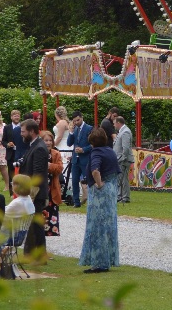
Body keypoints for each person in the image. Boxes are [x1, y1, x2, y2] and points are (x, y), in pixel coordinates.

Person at [80, 127, 121, 274]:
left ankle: (98, 263)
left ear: (92, 141)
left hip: (100, 194)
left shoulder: (96, 152)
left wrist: (98, 183)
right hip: (111, 192)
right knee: (109, 226)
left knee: (97, 227)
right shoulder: (109, 151)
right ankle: (109, 259)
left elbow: (95, 170)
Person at [16, 119, 49, 259]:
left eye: (23, 131)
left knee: (36, 225)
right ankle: (31, 253)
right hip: (31, 193)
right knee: (32, 225)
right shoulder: (33, 145)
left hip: (36, 194)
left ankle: (39, 254)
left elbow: (38, 175)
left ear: (31, 131)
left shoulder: (40, 148)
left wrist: (29, 195)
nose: (21, 134)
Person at [2, 174, 35, 250]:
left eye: (12, 184)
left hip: (12, 237)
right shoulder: (28, 199)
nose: (11, 186)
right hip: (20, 234)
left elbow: (2, 214)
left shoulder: (18, 202)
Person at [39, 130, 62, 238]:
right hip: (40, 188)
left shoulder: (56, 153)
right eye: (45, 140)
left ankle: (50, 232)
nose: (48, 143)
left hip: (51, 188)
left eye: (50, 140)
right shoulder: (37, 152)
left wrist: (49, 166)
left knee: (51, 211)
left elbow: (59, 168)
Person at [69, 111, 92, 207]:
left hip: (85, 159)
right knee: (74, 181)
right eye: (74, 121)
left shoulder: (89, 128)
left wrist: (83, 150)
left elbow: (92, 144)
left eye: (78, 120)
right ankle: (76, 202)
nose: (76, 122)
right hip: (76, 159)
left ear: (82, 118)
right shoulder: (75, 130)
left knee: (88, 180)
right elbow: (69, 143)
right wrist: (70, 132)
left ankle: (91, 200)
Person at [112, 113, 134, 203]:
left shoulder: (125, 132)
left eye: (114, 123)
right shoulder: (122, 131)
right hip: (121, 159)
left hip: (123, 160)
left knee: (123, 179)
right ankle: (121, 196)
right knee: (121, 178)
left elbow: (125, 148)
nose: (113, 125)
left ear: (118, 123)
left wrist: (122, 158)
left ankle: (124, 197)